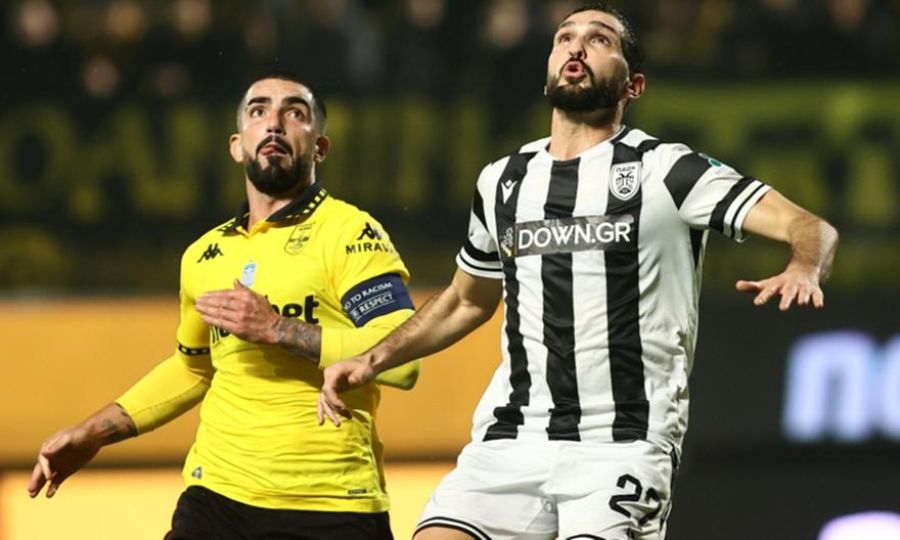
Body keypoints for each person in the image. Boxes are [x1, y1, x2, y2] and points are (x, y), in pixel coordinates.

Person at [317, 3, 839, 540]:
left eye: (599, 40)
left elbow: (810, 226)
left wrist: (804, 267)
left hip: (622, 444)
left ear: (633, 85)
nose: (577, 47)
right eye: (565, 37)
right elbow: (467, 300)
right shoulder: (502, 181)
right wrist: (371, 359)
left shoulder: (668, 170)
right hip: (510, 441)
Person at [28, 71, 421, 540]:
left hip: (330, 500)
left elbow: (403, 360)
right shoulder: (203, 255)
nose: (274, 122)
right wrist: (91, 433)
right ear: (237, 145)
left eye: (295, 113)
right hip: (216, 499)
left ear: (320, 147)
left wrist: (278, 329)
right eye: (258, 111)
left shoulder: (350, 232)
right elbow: (193, 368)